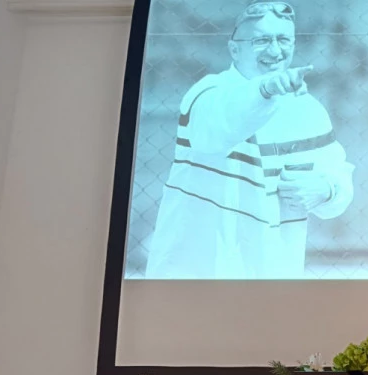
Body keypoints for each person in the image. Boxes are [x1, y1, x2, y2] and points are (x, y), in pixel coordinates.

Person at [145, 1, 355, 279]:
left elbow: (338, 176)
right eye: (261, 40)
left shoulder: (308, 110)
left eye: (284, 40)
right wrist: (265, 90)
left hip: (271, 275)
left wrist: (326, 190)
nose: (275, 51)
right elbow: (214, 135)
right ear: (234, 49)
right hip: (195, 274)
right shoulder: (208, 92)